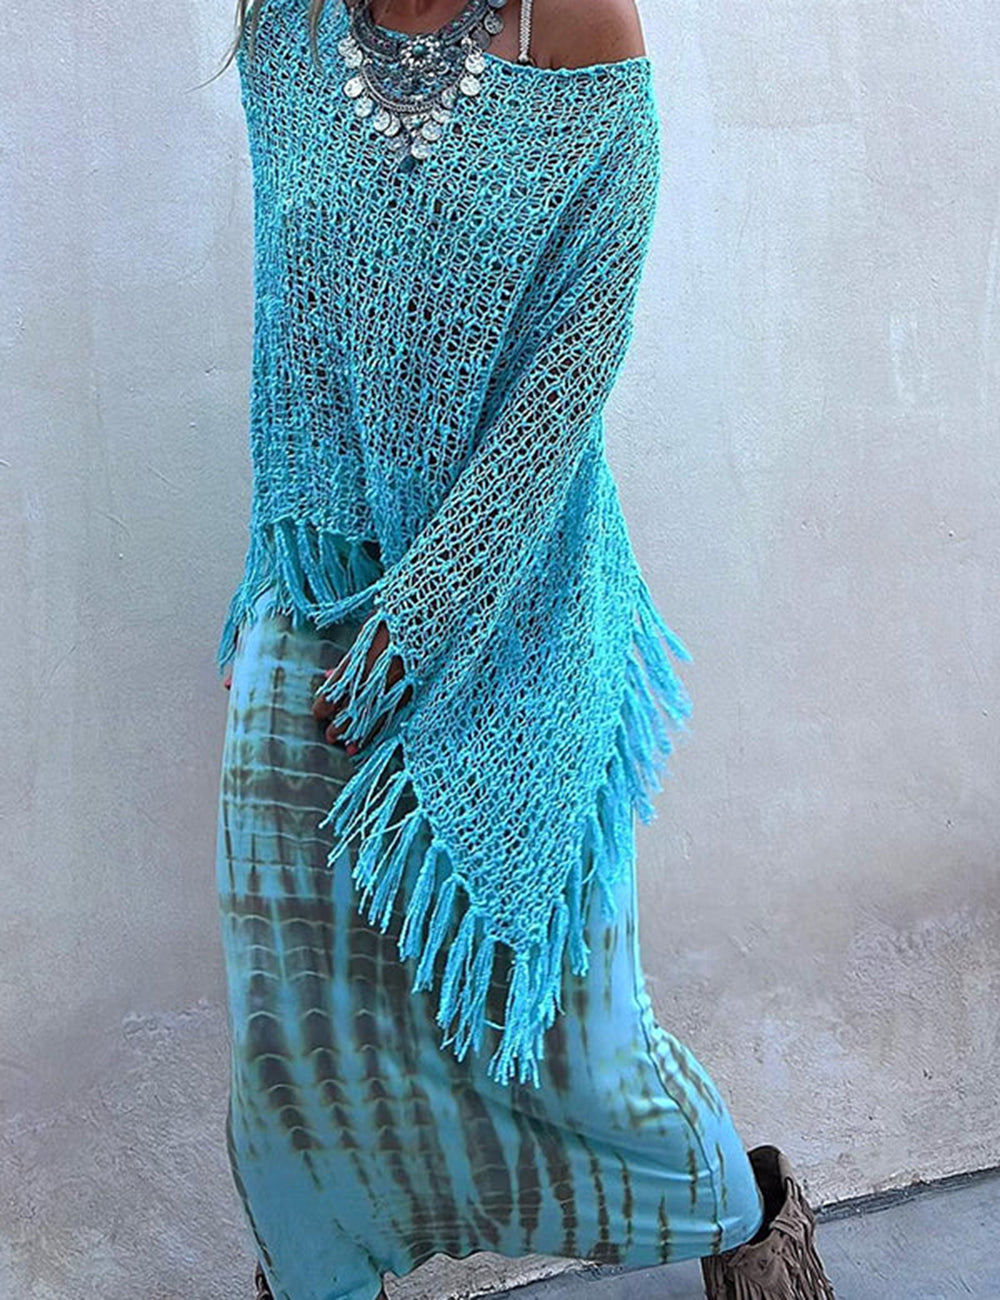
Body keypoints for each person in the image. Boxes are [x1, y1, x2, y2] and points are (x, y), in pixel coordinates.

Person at [211, 1, 839, 1297]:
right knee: (289, 1027)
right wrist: (302, 603)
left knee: (583, 1046)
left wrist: (431, 603)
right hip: (315, 581)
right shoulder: (284, 31)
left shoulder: (579, 26)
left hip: (519, 595)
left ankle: (752, 1233)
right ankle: (320, 1269)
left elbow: (571, 368)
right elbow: (296, 339)